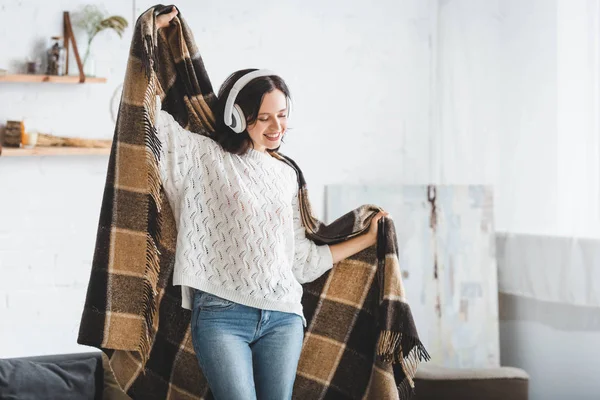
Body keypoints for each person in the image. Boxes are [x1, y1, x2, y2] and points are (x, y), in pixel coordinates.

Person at [155, 7, 389, 400]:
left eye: (282, 115)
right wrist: (153, 37)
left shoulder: (286, 174)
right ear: (235, 116)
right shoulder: (199, 157)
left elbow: (301, 261)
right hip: (220, 316)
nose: (277, 127)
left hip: (283, 316)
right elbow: (136, 115)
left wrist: (367, 241)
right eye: (263, 118)